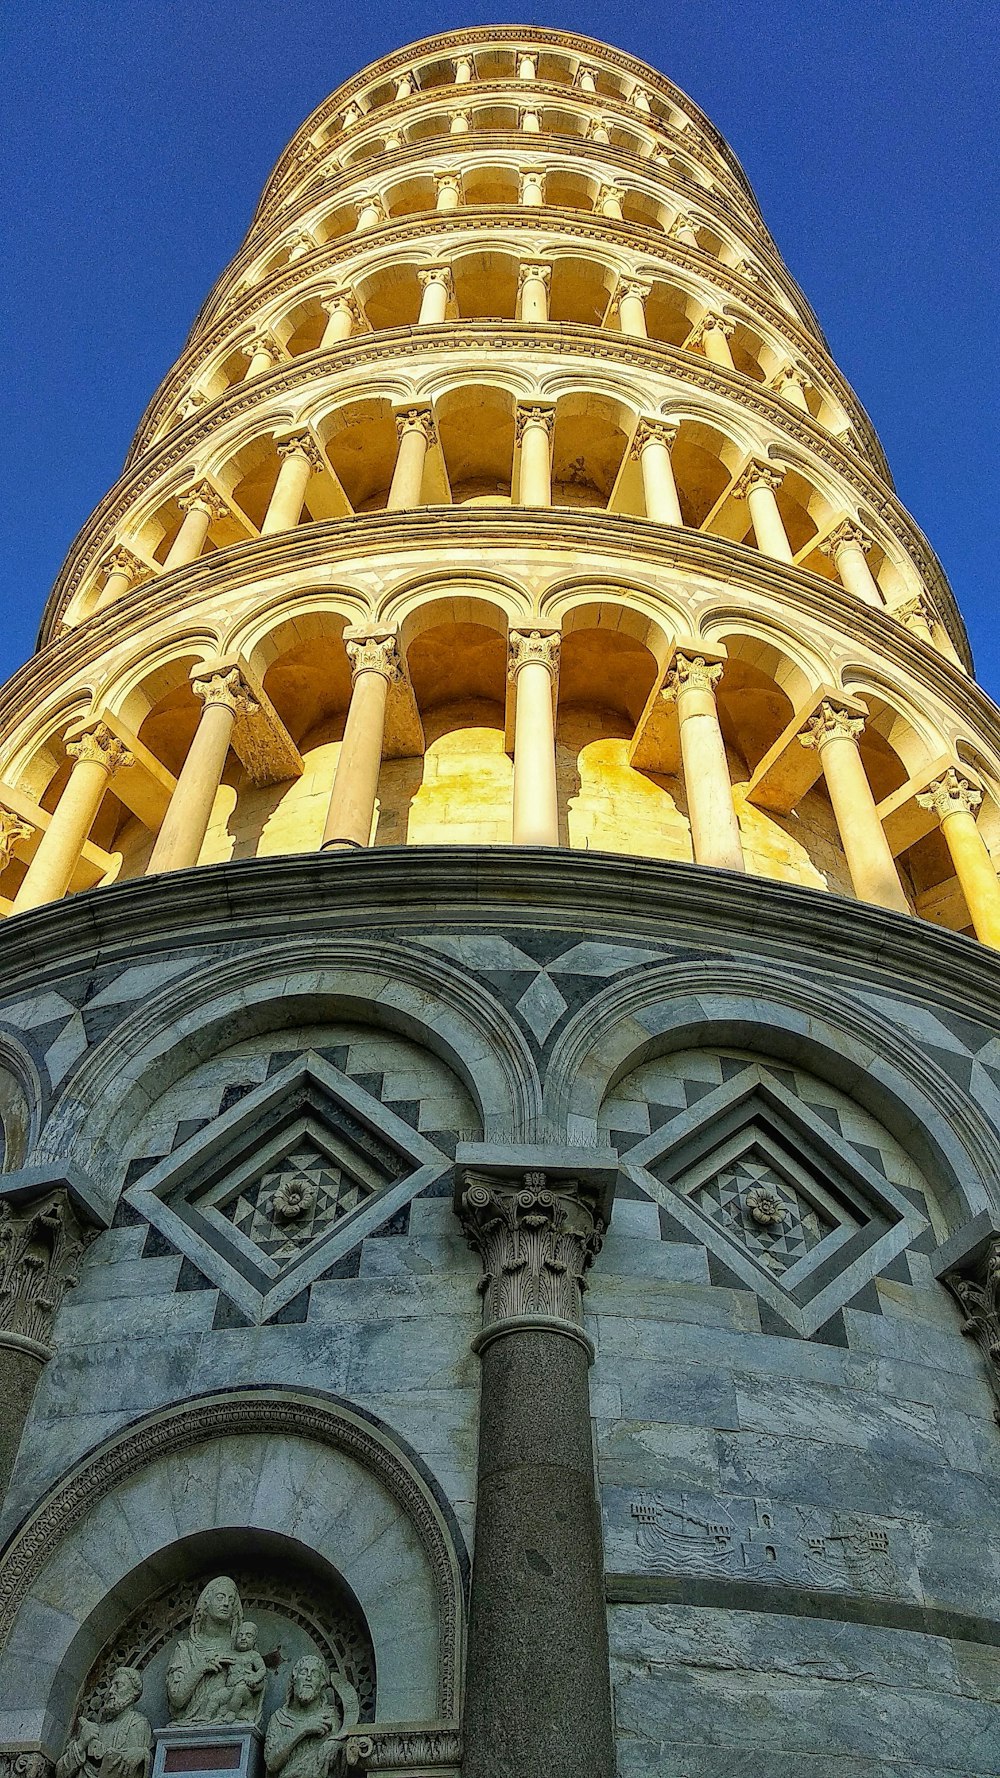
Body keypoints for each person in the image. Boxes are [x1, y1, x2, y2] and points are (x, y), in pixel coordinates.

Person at [166, 1576, 244, 1725]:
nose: (226, 1603)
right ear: (206, 1602)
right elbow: (177, 1699)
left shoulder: (240, 1647)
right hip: (184, 1729)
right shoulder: (185, 1649)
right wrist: (201, 1667)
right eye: (220, 1597)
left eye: (231, 1599)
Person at [56, 1668, 151, 1778]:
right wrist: (81, 1744)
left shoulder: (139, 1724)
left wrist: (143, 1754)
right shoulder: (95, 1729)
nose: (110, 1691)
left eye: (118, 1685)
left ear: (134, 1691)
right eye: (111, 1686)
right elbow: (60, 1773)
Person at [263, 1656, 348, 1778]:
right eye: (303, 1672)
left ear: (322, 1684)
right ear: (294, 1680)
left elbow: (340, 1759)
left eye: (314, 1674)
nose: (308, 1677)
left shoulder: (329, 1717)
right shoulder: (279, 1718)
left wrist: (335, 1745)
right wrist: (302, 1729)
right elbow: (272, 1764)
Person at [219, 1620, 267, 1726]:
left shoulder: (253, 1655)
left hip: (245, 1689)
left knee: (239, 1690)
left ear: (254, 1640)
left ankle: (232, 1712)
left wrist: (254, 1677)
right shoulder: (232, 1654)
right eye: (240, 1635)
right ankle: (205, 1716)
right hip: (229, 1687)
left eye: (248, 1635)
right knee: (214, 1697)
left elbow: (262, 1670)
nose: (243, 1638)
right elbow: (220, 1660)